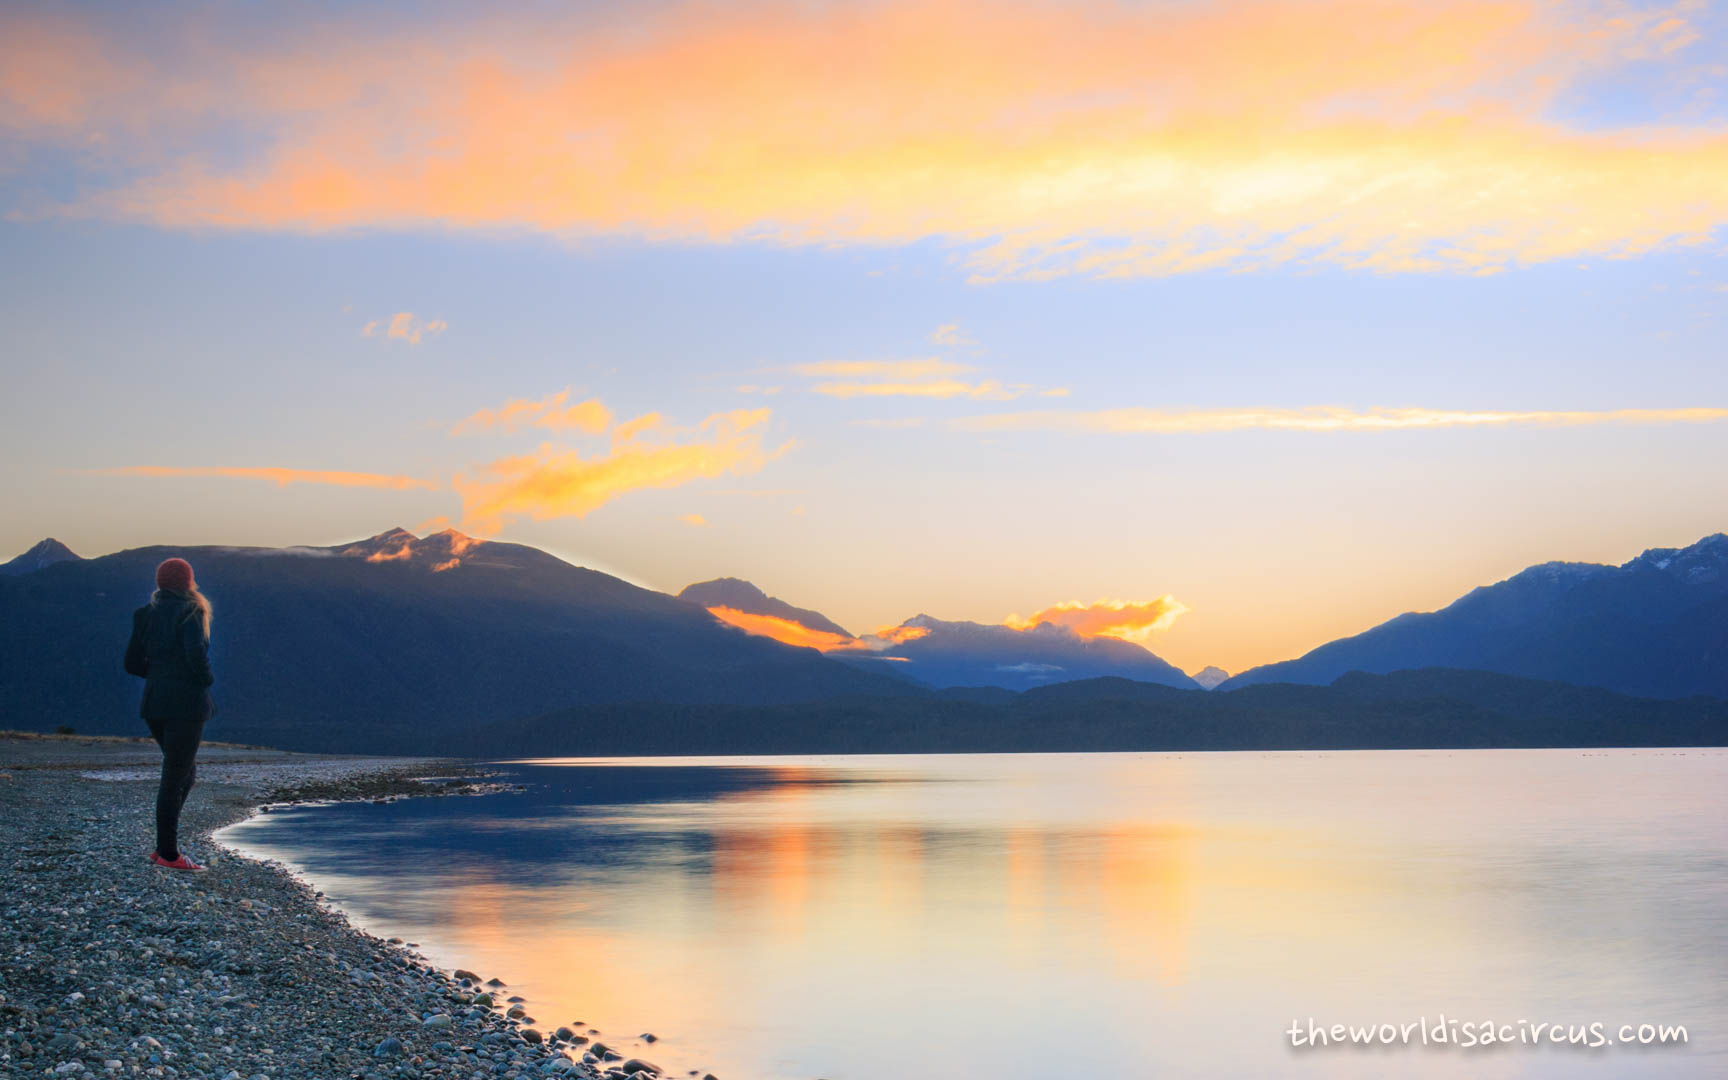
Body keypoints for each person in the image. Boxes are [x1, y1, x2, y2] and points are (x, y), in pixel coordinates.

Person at [124, 557, 216, 871]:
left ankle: (164, 848)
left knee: (183, 774)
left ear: (160, 582)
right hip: (186, 705)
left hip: (154, 703)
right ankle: (168, 854)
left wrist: (160, 674)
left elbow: (131, 664)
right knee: (176, 776)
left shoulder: (145, 614)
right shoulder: (192, 611)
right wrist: (204, 680)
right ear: (188, 581)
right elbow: (195, 656)